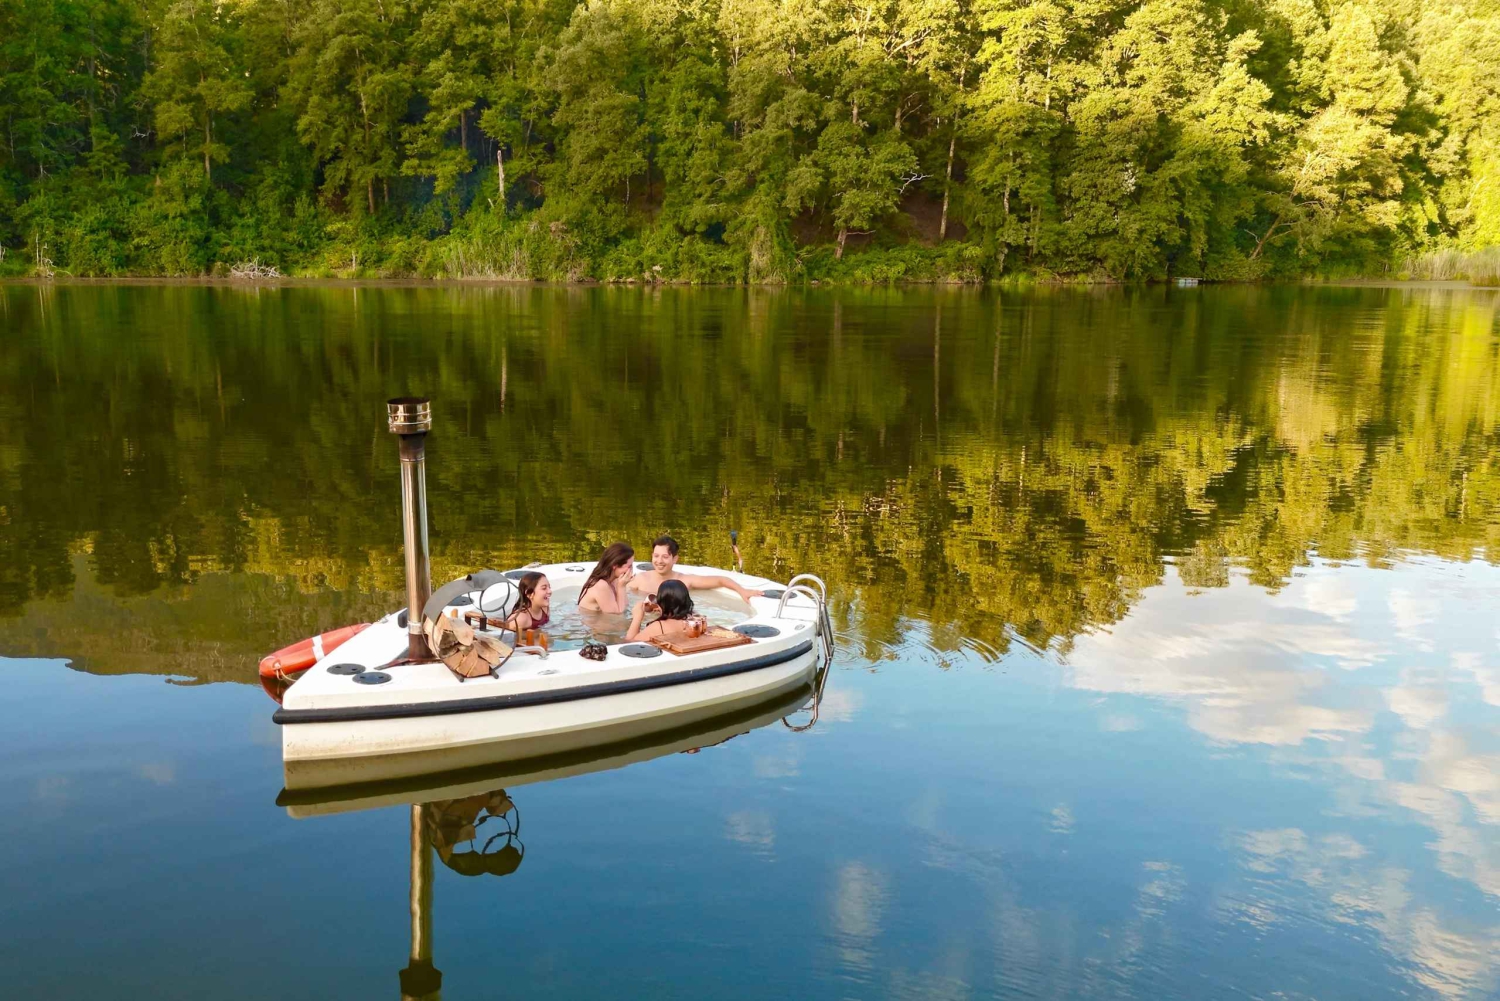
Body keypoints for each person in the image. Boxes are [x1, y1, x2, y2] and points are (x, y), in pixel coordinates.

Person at [628, 534, 763, 600]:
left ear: (675, 559)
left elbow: (721, 580)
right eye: (656, 556)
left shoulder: (685, 581)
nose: (659, 561)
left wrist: (742, 591)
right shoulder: (640, 579)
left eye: (665, 557)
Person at [625, 580, 701, 641]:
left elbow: (629, 643)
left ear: (661, 603)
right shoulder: (696, 622)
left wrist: (637, 618)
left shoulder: (658, 627)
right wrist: (664, 611)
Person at [579, 542, 635, 613]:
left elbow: (625, 605)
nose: (631, 570)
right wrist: (622, 587)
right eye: (629, 566)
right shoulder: (601, 585)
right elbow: (618, 616)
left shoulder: (615, 579)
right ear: (615, 566)